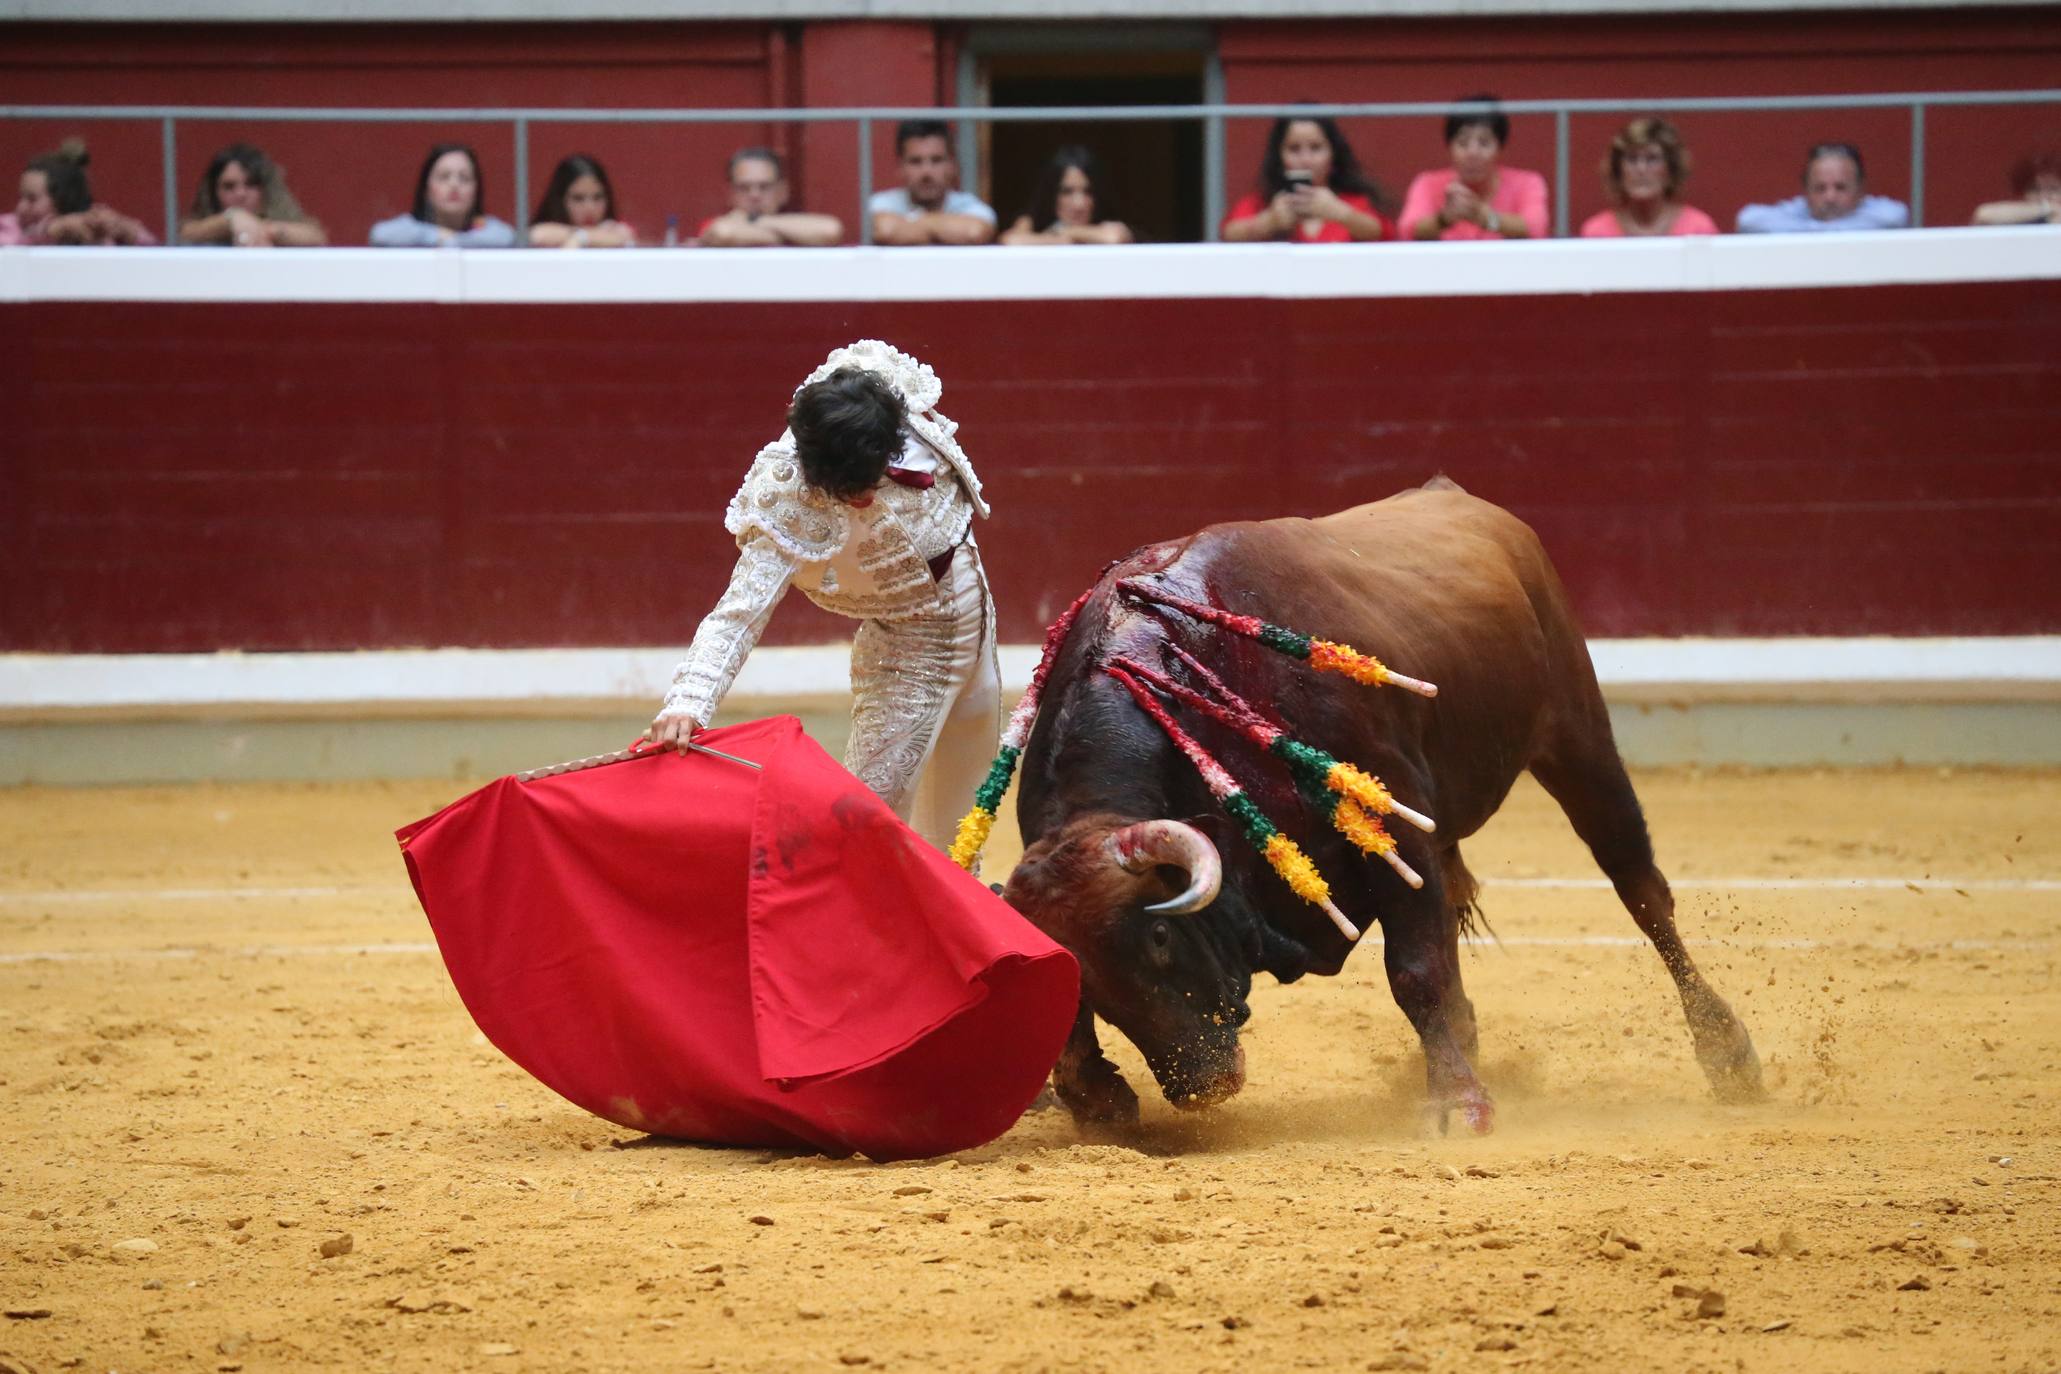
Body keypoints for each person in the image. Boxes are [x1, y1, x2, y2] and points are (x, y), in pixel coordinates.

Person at [646, 341, 1000, 853]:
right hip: (906, 640)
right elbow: (739, 613)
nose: (865, 498)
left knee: (963, 817)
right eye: (849, 489)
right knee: (866, 818)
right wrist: (687, 702)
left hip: (972, 600)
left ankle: (953, 922)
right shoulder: (786, 496)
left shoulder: (884, 392)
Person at [1399, 95, 1550, 241]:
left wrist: (1486, 218)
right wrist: (1443, 219)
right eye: (1463, 143)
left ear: (1500, 148)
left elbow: (1537, 228)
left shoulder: (1528, 183)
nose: (1473, 153)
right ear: (1449, 147)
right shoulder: (1427, 183)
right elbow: (1406, 230)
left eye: (1484, 143)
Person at [1219, 115, 1391, 243]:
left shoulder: (1354, 203)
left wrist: (1342, 214)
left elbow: (1384, 233)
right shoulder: (1260, 203)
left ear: (1333, 156)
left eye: (1316, 148)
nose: (1305, 159)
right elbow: (1229, 235)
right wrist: (1269, 221)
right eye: (1294, 149)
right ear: (1279, 157)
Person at [1578, 118, 1719, 238]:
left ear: (1671, 169)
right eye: (1632, 159)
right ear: (1618, 170)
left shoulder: (1699, 230)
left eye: (1652, 159)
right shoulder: (1596, 233)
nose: (1641, 169)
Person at [0, 139, 156, 246]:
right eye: (22, 197)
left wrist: (127, 233)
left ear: (63, 199)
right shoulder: (7, 226)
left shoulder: (93, 222)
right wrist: (48, 232)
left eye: (32, 199)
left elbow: (154, 253)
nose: (20, 207)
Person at [867, 121, 996, 246]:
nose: (926, 172)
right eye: (915, 161)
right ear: (901, 167)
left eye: (936, 160)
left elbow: (974, 232)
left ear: (952, 165)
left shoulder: (970, 205)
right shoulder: (881, 203)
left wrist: (911, 223)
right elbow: (886, 230)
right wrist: (947, 230)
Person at [1735, 142, 1909, 233]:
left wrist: (1812, 232)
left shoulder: (1881, 214)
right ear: (1806, 191)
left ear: (1860, 191)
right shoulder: (1799, 209)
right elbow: (1748, 220)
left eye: (1840, 187)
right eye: (1820, 188)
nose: (1830, 197)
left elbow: (1894, 216)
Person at [178, 142, 327, 248]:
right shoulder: (196, 228)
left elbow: (316, 237)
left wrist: (266, 230)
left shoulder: (286, 222)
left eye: (251, 184)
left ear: (267, 190)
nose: (240, 194)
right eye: (229, 186)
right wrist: (230, 219)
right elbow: (184, 233)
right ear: (213, 192)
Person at [369, 144, 517, 247]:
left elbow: (507, 237)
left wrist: (452, 239)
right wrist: (437, 236)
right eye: (443, 177)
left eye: (464, 178)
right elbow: (380, 234)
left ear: (476, 190)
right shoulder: (411, 226)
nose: (454, 185)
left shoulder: (485, 228)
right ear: (426, 188)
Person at [697, 147, 843, 247]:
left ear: (783, 192)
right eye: (744, 188)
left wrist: (756, 220)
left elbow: (830, 231)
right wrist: (798, 238)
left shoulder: (792, 223)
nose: (754, 195)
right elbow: (725, 234)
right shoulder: (715, 224)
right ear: (730, 193)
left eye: (764, 187)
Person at [1000, 145, 1134, 245]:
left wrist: (1065, 231)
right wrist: (1059, 240)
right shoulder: (1032, 220)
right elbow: (1011, 241)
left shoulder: (1108, 223)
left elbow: (1114, 238)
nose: (1079, 204)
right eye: (1067, 192)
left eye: (1088, 192)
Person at [525, 153, 635, 248]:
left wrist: (581, 238)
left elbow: (625, 238)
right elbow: (536, 235)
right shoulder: (541, 231)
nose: (590, 208)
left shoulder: (617, 231)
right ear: (560, 200)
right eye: (578, 198)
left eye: (598, 197)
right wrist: (587, 236)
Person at [1971, 152, 2061, 226]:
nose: (2043, 195)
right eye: (2035, 189)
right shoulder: (2016, 216)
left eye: (2053, 189)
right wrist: (2047, 208)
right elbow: (1983, 215)